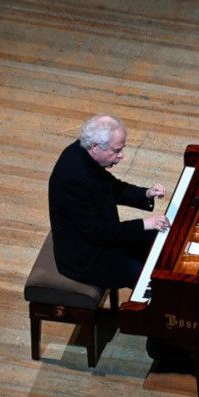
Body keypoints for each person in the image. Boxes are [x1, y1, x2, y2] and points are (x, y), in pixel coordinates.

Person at [48, 114, 169, 289]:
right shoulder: (74, 177)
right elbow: (98, 231)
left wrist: (146, 194)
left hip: (101, 238)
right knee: (145, 278)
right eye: (116, 150)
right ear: (96, 147)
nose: (122, 156)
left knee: (159, 240)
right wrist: (143, 224)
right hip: (85, 257)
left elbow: (112, 187)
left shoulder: (85, 153)